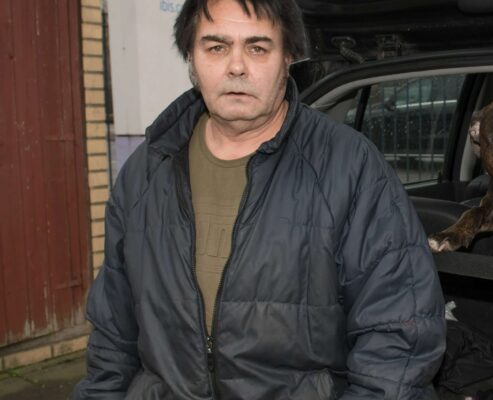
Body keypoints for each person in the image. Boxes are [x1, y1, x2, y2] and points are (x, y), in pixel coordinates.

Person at [72, 0, 446, 398]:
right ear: (191, 60)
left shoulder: (349, 167)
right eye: (216, 47)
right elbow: (113, 338)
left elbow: (399, 338)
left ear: (287, 59)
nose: (236, 67)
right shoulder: (145, 171)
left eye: (257, 48)